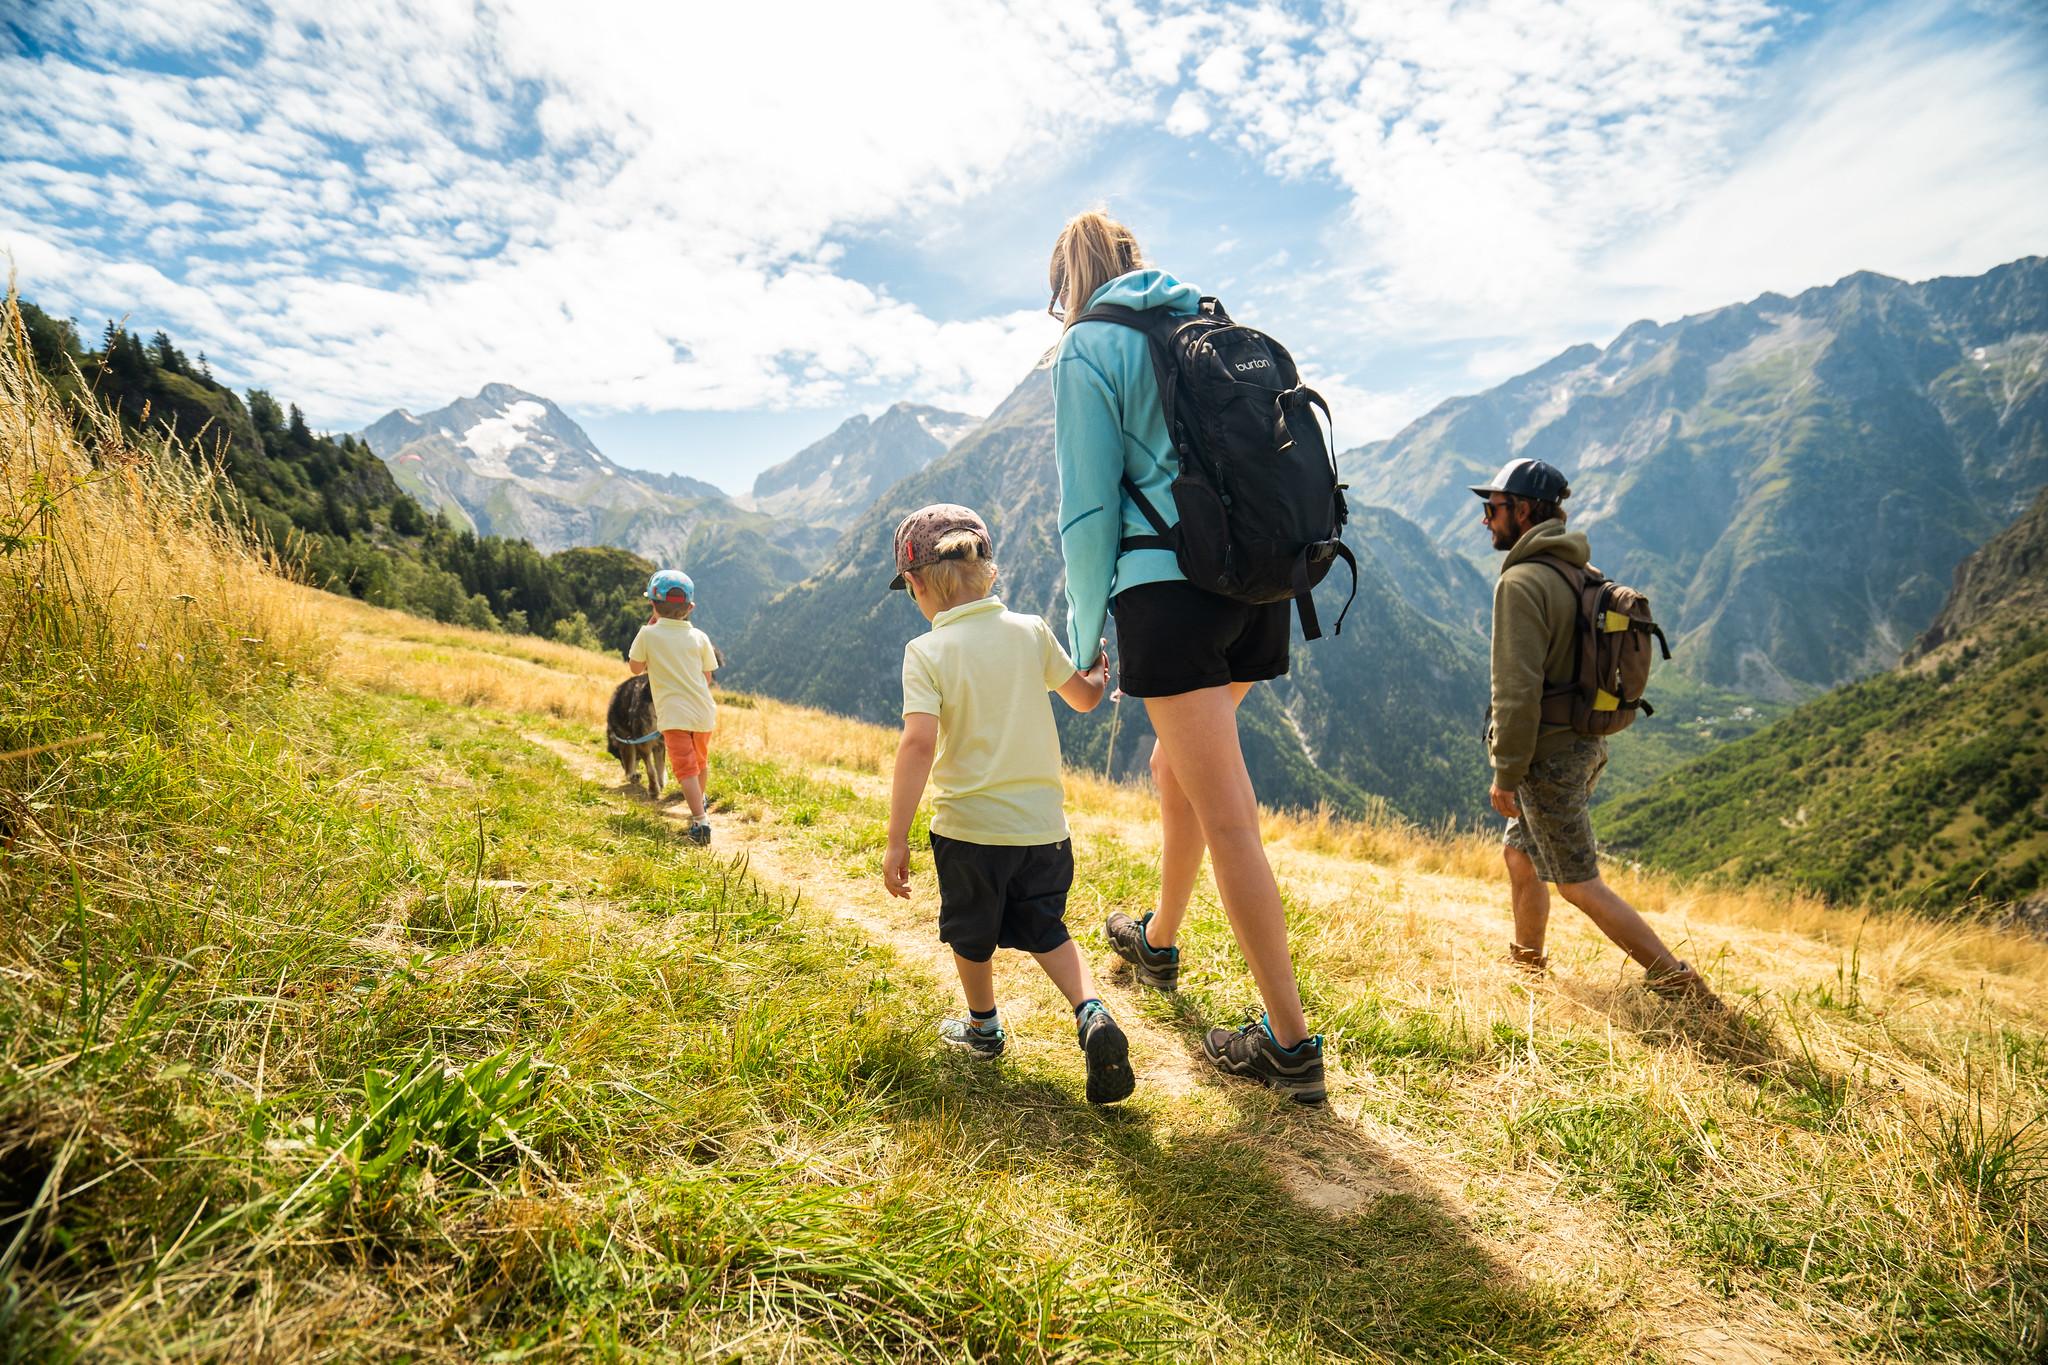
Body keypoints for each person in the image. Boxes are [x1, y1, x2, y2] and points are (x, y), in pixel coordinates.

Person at [1046, 207, 1327, 1104]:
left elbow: (1089, 511)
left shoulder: (1091, 346)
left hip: (1170, 592)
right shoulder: (1201, 318)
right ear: (1135, 258)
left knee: (1229, 811)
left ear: (1069, 283)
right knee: (1179, 764)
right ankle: (1159, 940)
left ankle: (1289, 1044)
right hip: (1260, 582)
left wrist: (1086, 634)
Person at [881, 503, 1136, 1106]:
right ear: (986, 570)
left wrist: (897, 838)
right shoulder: (1030, 630)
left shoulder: (926, 652)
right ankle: (1091, 1011)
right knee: (1047, 928)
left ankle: (983, 1028)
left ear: (917, 584)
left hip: (969, 831)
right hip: (1043, 828)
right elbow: (1083, 699)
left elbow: (919, 744)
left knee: (971, 934)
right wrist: (1098, 672)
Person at [1473, 458, 1718, 1004]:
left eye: (1493, 509)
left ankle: (1680, 984)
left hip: (1548, 757)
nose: (1486, 520)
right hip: (1586, 743)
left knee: (1578, 881)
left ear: (1525, 510)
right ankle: (1528, 967)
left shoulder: (1521, 581)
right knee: (1522, 855)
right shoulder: (1577, 571)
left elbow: (1516, 690)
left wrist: (1506, 773)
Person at [626, 568, 719, 847]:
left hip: (674, 715)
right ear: (690, 608)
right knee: (700, 763)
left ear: (652, 604)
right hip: (704, 711)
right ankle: (698, 803)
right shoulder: (700, 637)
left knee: (685, 770)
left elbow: (635, 668)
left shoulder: (648, 634)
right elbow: (707, 677)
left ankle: (700, 822)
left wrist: (651, 630)